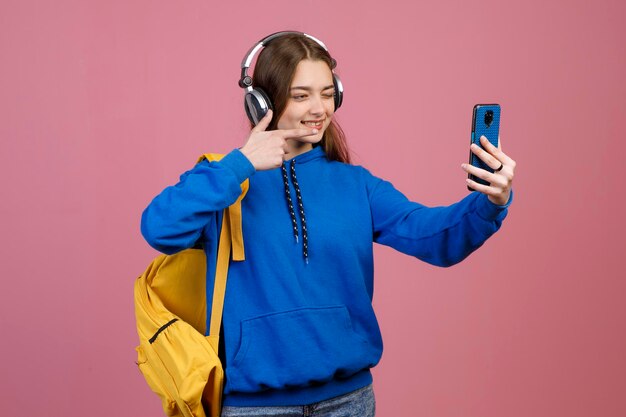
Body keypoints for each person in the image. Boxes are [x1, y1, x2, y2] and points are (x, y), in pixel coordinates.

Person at [141, 31, 515, 417]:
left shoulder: (357, 184)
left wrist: (491, 201)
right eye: (301, 95)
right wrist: (241, 163)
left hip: (349, 402)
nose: (319, 108)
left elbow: (435, 238)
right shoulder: (224, 180)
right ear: (261, 102)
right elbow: (159, 229)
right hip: (256, 407)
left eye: (326, 92)